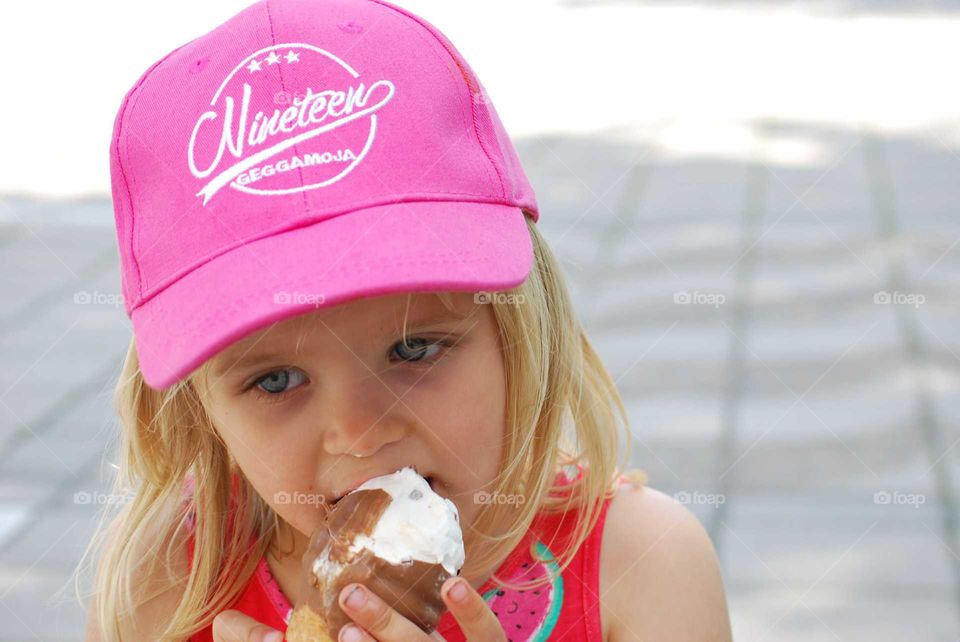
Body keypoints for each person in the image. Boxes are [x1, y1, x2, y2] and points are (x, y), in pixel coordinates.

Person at [83, 0, 732, 640]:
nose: (360, 434)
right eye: (277, 380)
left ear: (519, 335)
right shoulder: (170, 587)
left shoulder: (642, 569)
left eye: (415, 347)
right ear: (202, 411)